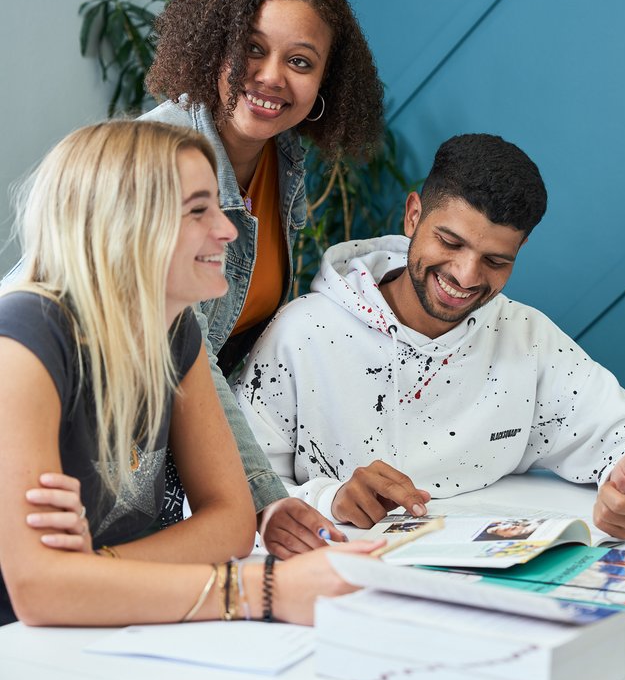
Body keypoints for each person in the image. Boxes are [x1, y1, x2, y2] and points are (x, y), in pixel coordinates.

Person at [0, 120, 377, 628]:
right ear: (124, 223)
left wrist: (89, 574)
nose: (226, 229)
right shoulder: (25, 338)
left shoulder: (173, 329)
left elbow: (231, 522)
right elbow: (38, 592)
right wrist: (262, 590)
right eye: (198, 210)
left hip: (108, 624)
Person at [234, 133, 625, 540]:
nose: (466, 275)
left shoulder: (525, 339)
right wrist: (330, 499)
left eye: (495, 259)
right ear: (414, 214)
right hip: (339, 579)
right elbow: (230, 491)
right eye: (450, 242)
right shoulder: (303, 333)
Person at [143, 0, 384, 558]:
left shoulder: (280, 162)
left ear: (326, 83)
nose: (272, 76)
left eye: (299, 61)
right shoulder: (164, 159)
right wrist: (264, 495)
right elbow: (185, 355)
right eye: (251, 48)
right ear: (212, 49)